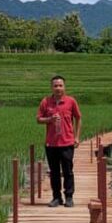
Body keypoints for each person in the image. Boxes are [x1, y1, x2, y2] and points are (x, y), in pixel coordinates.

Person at [36, 75, 82, 208]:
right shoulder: (46, 102)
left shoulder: (71, 101)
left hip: (67, 142)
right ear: (51, 87)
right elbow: (38, 119)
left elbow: (78, 118)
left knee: (68, 171)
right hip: (51, 143)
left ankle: (69, 197)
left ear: (64, 87)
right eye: (55, 86)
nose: (58, 88)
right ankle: (56, 197)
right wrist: (49, 119)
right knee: (54, 171)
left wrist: (77, 137)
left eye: (60, 85)